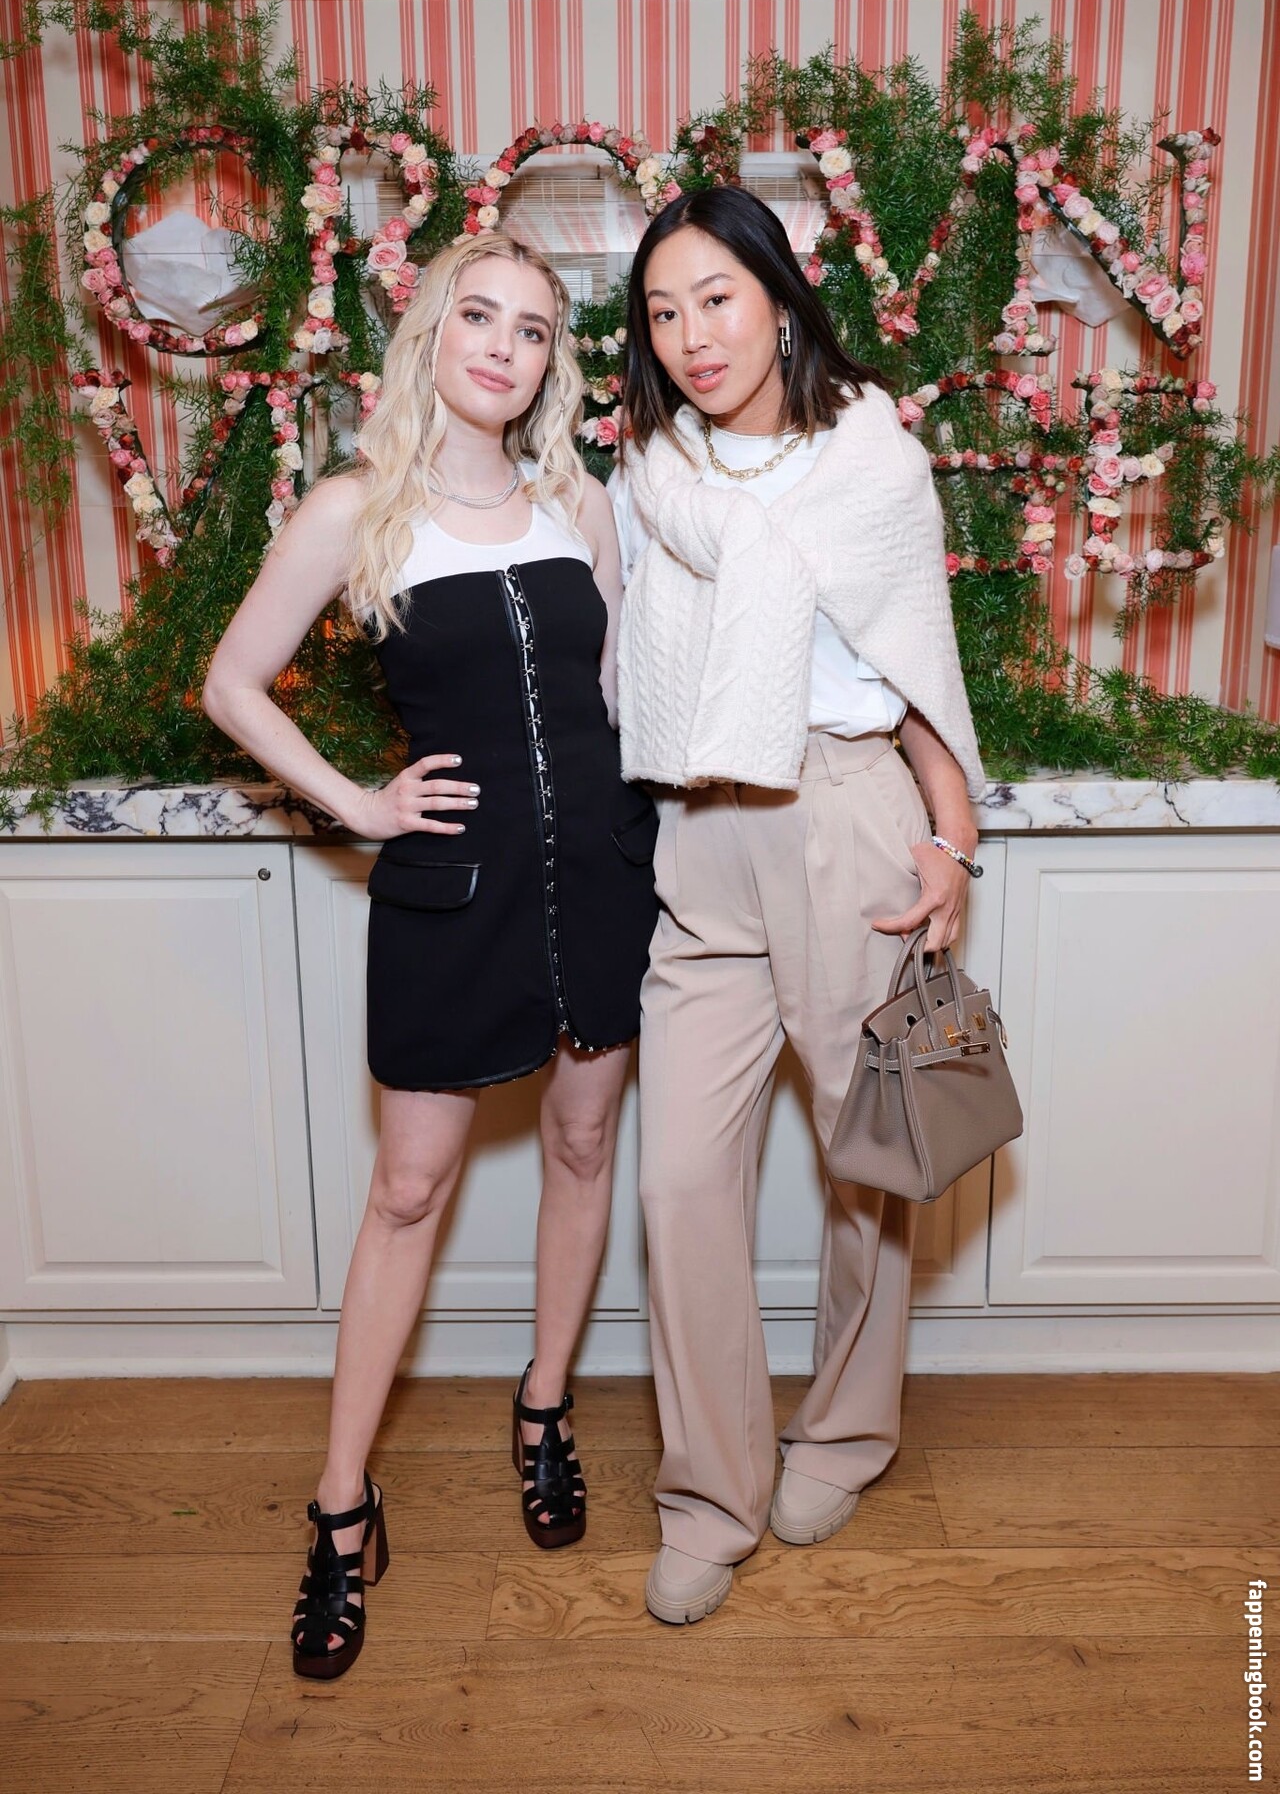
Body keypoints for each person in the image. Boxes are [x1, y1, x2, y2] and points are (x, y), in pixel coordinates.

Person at [202, 231, 658, 1679]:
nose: (503, 347)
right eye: (480, 316)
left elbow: (618, 694)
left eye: (532, 329)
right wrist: (355, 803)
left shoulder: (579, 502)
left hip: (598, 877)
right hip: (451, 896)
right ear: (432, 334)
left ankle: (544, 1407)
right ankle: (342, 1507)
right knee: (406, 1190)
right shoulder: (355, 510)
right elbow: (231, 682)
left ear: (550, 363)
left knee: (584, 1147)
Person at [607, 184, 987, 1624]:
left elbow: (919, 661)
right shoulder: (653, 472)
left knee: (867, 1158)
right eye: (663, 312)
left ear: (778, 299)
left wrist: (952, 842)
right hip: (702, 824)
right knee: (678, 1180)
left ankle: (842, 1433)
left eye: (716, 297)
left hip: (846, 810)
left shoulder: (869, 454)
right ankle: (711, 1489)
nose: (693, 335)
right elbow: (629, 660)